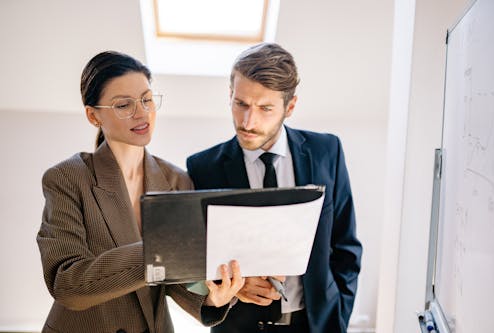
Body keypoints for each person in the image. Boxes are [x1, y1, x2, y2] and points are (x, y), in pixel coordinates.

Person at [36, 51, 244, 333]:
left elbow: (176, 281)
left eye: (147, 99)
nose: (141, 112)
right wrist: (158, 251)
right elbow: (67, 284)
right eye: (123, 105)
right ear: (93, 115)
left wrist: (212, 299)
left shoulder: (176, 181)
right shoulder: (67, 178)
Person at [186, 43, 362, 333]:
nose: (248, 122)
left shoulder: (326, 151)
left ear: (289, 107)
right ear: (230, 95)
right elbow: (194, 262)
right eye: (240, 103)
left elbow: (346, 246)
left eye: (265, 108)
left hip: (316, 324)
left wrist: (339, 313)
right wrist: (233, 288)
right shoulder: (203, 167)